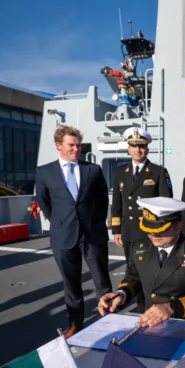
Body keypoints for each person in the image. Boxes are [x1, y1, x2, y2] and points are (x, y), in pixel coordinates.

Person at [35, 125, 113, 338]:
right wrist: (59, 222)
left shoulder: (93, 170)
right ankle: (75, 323)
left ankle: (109, 318)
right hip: (63, 235)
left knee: (102, 279)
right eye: (71, 145)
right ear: (58, 145)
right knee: (71, 283)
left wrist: (96, 223)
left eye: (78, 145)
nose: (76, 149)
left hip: (92, 234)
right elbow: (43, 201)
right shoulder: (44, 172)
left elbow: (102, 200)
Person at [97, 197, 185, 326]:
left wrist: (171, 308)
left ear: (178, 227)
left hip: (182, 321)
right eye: (149, 230)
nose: (153, 235)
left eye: (160, 231)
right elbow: (133, 279)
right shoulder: (138, 248)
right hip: (149, 320)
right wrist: (120, 294)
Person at [110, 127, 173, 263]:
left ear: (147, 149)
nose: (137, 150)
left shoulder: (158, 172)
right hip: (128, 231)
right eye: (134, 146)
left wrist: (162, 231)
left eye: (141, 146)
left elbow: (166, 204)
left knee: (149, 268)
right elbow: (117, 203)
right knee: (131, 267)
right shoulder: (120, 172)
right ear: (129, 149)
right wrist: (116, 230)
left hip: (149, 231)